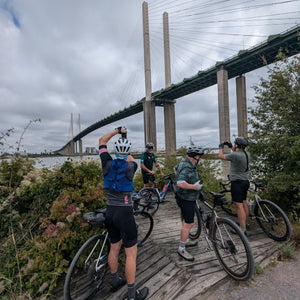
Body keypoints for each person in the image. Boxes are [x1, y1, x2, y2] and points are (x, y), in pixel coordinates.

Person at [99, 126, 149, 300]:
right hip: (124, 213)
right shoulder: (131, 166)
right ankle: (131, 295)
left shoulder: (106, 162)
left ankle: (114, 280)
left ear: (114, 151)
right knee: (130, 254)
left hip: (110, 212)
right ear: (128, 152)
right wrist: (125, 139)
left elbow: (101, 142)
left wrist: (116, 131)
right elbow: (129, 157)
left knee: (114, 248)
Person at [174, 146, 204, 261]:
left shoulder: (183, 162)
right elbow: (180, 183)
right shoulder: (187, 167)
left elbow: (175, 169)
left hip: (181, 196)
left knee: (185, 221)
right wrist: (194, 187)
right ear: (195, 157)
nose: (200, 159)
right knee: (189, 224)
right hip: (187, 199)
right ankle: (181, 248)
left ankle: (185, 240)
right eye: (199, 157)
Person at [218, 137, 250, 235]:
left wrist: (221, 147)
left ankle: (242, 229)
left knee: (238, 206)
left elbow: (221, 156)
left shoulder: (235, 155)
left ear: (237, 145)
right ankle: (244, 223)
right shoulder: (247, 154)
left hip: (237, 183)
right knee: (244, 202)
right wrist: (231, 146)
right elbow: (235, 152)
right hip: (245, 181)